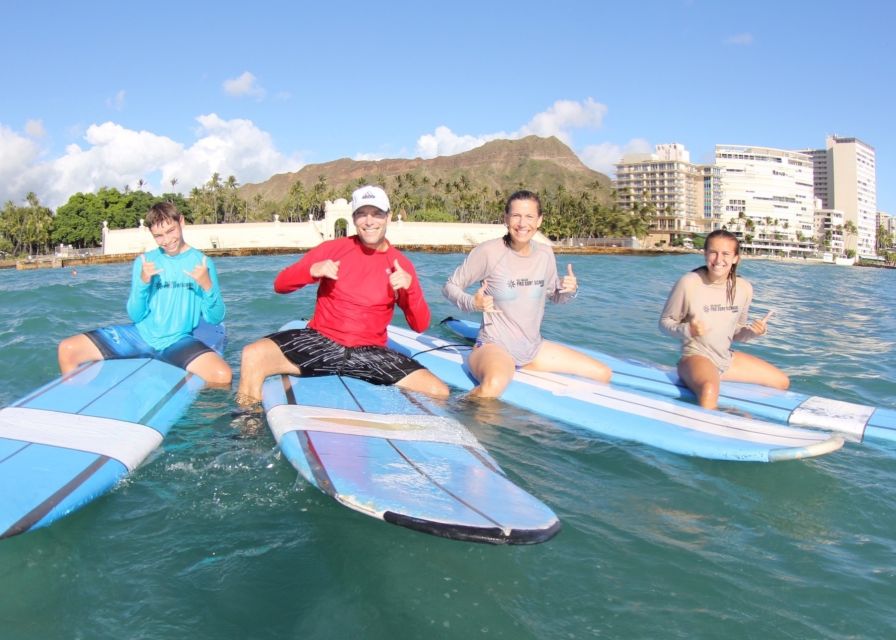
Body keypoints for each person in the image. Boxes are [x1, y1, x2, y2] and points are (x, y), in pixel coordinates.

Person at [235, 185, 449, 409]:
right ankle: (247, 426)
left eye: (376, 214)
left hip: (369, 353)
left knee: (438, 391)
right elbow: (280, 285)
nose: (369, 221)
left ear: (387, 216)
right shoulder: (333, 249)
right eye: (361, 214)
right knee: (253, 355)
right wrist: (311, 271)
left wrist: (410, 288)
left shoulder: (401, 265)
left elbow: (420, 325)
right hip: (321, 342)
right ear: (354, 218)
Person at [442, 189, 611, 398]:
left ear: (539, 220)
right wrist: (472, 303)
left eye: (530, 216)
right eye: (516, 216)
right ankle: (456, 417)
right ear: (506, 219)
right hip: (495, 346)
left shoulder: (545, 253)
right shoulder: (489, 252)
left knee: (603, 373)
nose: (522, 223)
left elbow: (555, 296)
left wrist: (569, 290)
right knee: (493, 386)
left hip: (533, 349)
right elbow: (450, 286)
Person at [57, 202, 232, 386]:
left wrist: (207, 286)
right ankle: (74, 398)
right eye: (158, 235)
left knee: (222, 375)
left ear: (181, 222)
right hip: (139, 337)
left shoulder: (202, 262)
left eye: (171, 231)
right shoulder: (145, 261)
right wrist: (143, 283)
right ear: (151, 234)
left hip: (178, 341)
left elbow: (215, 317)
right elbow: (135, 314)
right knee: (67, 349)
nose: (167, 240)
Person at [659, 228, 789, 409]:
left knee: (781, 382)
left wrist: (752, 332)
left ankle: (743, 415)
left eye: (726, 254)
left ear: (736, 258)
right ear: (705, 254)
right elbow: (665, 323)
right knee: (709, 389)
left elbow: (736, 333)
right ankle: (704, 430)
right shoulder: (689, 283)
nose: (719, 260)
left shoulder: (743, 288)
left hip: (725, 359)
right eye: (713, 252)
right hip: (695, 357)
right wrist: (687, 330)